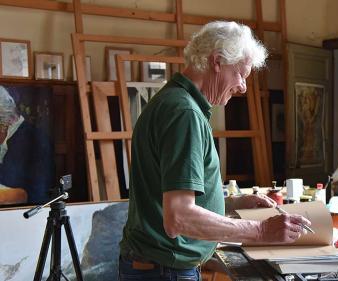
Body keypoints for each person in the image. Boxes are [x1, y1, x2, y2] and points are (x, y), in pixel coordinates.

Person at [119, 21, 311, 281]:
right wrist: (261, 230)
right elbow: (178, 218)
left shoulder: (173, 100)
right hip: (165, 270)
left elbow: (168, 197)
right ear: (217, 61)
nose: (243, 86)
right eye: (240, 74)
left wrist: (230, 204)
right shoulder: (184, 113)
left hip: (156, 265)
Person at [0, 85, 53, 205]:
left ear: (4, 124)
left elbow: (38, 194)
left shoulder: (35, 140)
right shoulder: (7, 138)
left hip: (25, 216)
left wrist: (6, 196)